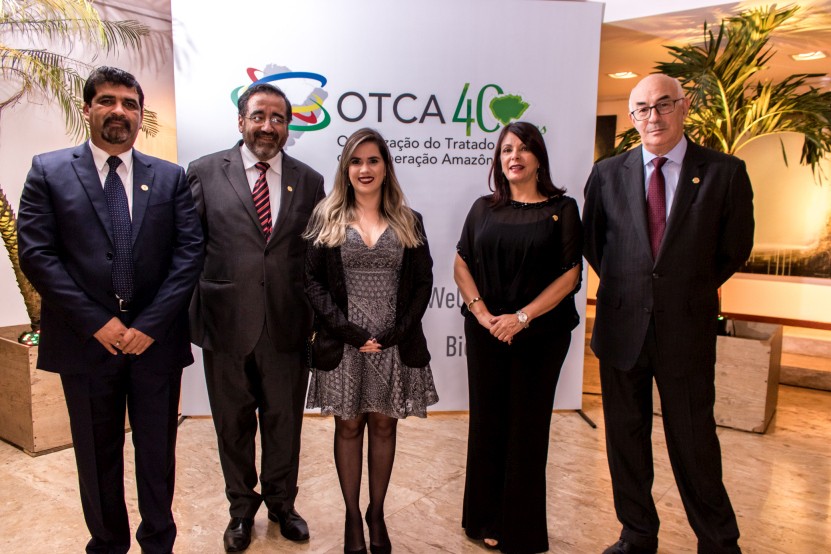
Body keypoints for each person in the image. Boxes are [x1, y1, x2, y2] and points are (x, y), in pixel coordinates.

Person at [17, 66, 204, 554]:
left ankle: (158, 543)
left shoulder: (169, 178)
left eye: (130, 103)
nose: (119, 111)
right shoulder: (49, 171)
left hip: (154, 347)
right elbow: (37, 254)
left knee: (157, 456)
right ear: (87, 109)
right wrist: (97, 322)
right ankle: (106, 544)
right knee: (97, 458)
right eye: (107, 100)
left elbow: (189, 255)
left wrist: (149, 326)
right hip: (85, 345)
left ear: (141, 115)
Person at [582, 73, 754, 554]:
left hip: (686, 328)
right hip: (622, 328)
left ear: (684, 107)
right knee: (626, 440)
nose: (652, 116)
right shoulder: (607, 174)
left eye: (663, 104)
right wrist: (634, 286)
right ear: (632, 117)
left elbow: (734, 249)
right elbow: (596, 244)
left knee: (694, 442)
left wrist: (682, 287)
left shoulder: (724, 173)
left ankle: (718, 542)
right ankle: (637, 534)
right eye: (642, 109)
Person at [187, 83, 325, 552]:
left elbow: (315, 257)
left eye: (278, 118)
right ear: (241, 120)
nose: (268, 126)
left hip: (288, 324)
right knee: (233, 425)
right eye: (259, 116)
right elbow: (188, 249)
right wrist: (192, 316)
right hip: (225, 323)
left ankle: (283, 505)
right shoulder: (204, 171)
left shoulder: (309, 180)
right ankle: (241, 511)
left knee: (285, 423)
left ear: (288, 126)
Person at [304, 128, 439, 554]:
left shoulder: (409, 219)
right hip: (344, 343)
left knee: (383, 424)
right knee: (348, 426)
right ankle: (351, 517)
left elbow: (423, 282)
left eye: (373, 160)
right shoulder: (325, 216)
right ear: (346, 167)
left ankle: (376, 514)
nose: (365, 169)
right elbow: (312, 282)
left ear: (385, 167)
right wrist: (350, 332)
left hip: (393, 345)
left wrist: (395, 333)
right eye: (356, 161)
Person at [454, 121, 583, 553]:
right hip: (487, 332)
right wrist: (483, 314)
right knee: (487, 423)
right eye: (507, 149)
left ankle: (519, 528)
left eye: (524, 148)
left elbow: (570, 276)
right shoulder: (482, 208)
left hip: (540, 335)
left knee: (527, 429)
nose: (515, 156)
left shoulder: (563, 209)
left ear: (538, 158)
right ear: (498, 159)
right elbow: (461, 263)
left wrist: (522, 318)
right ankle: (483, 518)